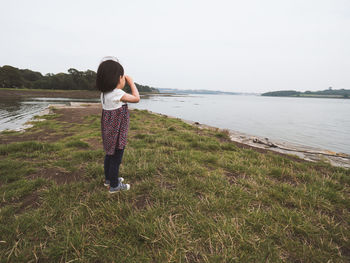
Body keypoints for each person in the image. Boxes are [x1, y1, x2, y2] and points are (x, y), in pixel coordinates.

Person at [95, 56, 140, 193]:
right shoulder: (117, 93)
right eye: (122, 77)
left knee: (109, 155)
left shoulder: (104, 94)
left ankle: (109, 179)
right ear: (116, 78)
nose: (124, 80)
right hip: (117, 133)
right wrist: (132, 83)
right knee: (116, 158)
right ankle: (114, 186)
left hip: (108, 132)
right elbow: (136, 98)